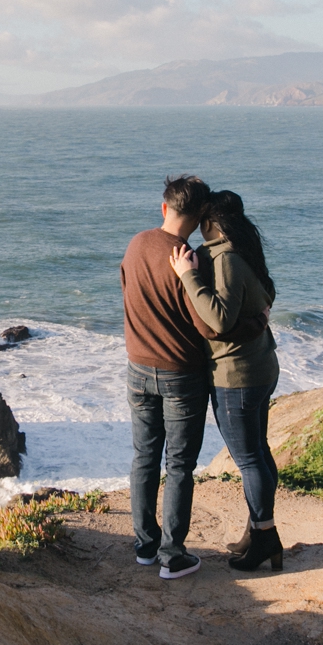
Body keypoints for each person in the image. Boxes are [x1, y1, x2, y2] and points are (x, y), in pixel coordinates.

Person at [170, 189, 283, 572]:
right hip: (260, 368)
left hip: (236, 377)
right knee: (259, 452)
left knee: (249, 459)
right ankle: (258, 530)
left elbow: (217, 319)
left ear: (210, 223)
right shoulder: (245, 249)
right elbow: (267, 294)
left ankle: (265, 535)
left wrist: (187, 275)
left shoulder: (225, 258)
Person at [119, 174, 213, 579]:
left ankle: (145, 545)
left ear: (165, 208)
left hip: (138, 369)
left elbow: (127, 290)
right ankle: (172, 556)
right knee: (178, 464)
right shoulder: (189, 259)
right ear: (200, 217)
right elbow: (206, 326)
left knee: (144, 457)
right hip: (181, 374)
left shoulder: (137, 243)